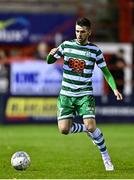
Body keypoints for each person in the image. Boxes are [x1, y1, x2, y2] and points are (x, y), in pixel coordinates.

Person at [47, 17, 123, 171]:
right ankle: (88, 131)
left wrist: (114, 88)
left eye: (82, 31)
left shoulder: (95, 51)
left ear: (89, 32)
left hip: (84, 94)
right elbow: (50, 61)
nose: (79, 34)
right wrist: (51, 54)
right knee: (64, 130)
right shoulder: (66, 45)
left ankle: (106, 158)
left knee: (91, 125)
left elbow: (106, 72)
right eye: (77, 31)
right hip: (66, 95)